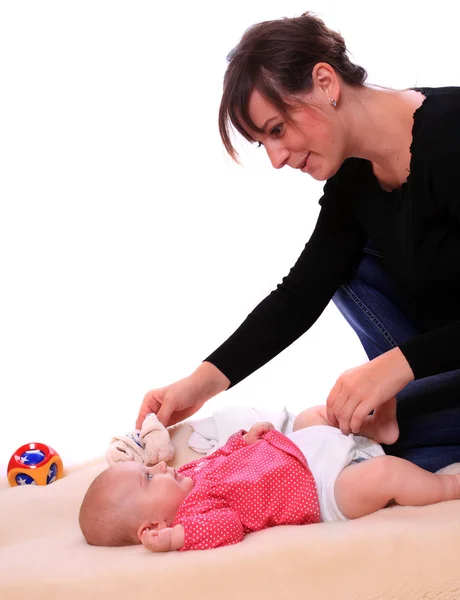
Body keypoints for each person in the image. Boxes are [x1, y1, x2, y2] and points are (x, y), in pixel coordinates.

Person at [136, 11, 460, 473]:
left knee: (347, 441)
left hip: (428, 359)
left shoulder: (450, 135)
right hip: (437, 358)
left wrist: (396, 366)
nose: (276, 158)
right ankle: (402, 429)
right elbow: (300, 294)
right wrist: (197, 385)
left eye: (276, 130)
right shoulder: (354, 178)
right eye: (262, 143)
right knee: (342, 267)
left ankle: (400, 431)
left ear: (325, 82)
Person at [80, 405, 460, 551]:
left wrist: (241, 440)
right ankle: (446, 485)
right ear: (152, 527)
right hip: (321, 489)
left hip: (298, 447)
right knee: (383, 475)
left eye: (149, 467)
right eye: (149, 479)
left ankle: (377, 430)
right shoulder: (192, 517)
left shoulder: (188, 474)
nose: (160, 467)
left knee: (317, 414)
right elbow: (228, 526)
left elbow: (223, 457)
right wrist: (176, 538)